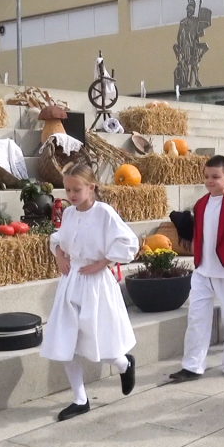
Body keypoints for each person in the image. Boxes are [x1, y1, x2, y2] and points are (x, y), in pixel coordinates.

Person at [42, 162, 140, 421]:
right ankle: (80, 399)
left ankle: (124, 363)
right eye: (67, 190)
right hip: (71, 281)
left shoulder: (104, 213)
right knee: (66, 341)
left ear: (91, 187)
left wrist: (103, 261)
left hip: (95, 284)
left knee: (101, 340)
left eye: (77, 189)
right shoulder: (69, 214)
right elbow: (59, 238)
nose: (71, 195)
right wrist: (59, 254)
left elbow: (129, 242)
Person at [171, 155, 224, 381]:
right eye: (207, 177)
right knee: (196, 318)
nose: (210, 181)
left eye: (215, 177)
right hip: (202, 270)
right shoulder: (201, 204)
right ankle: (193, 365)